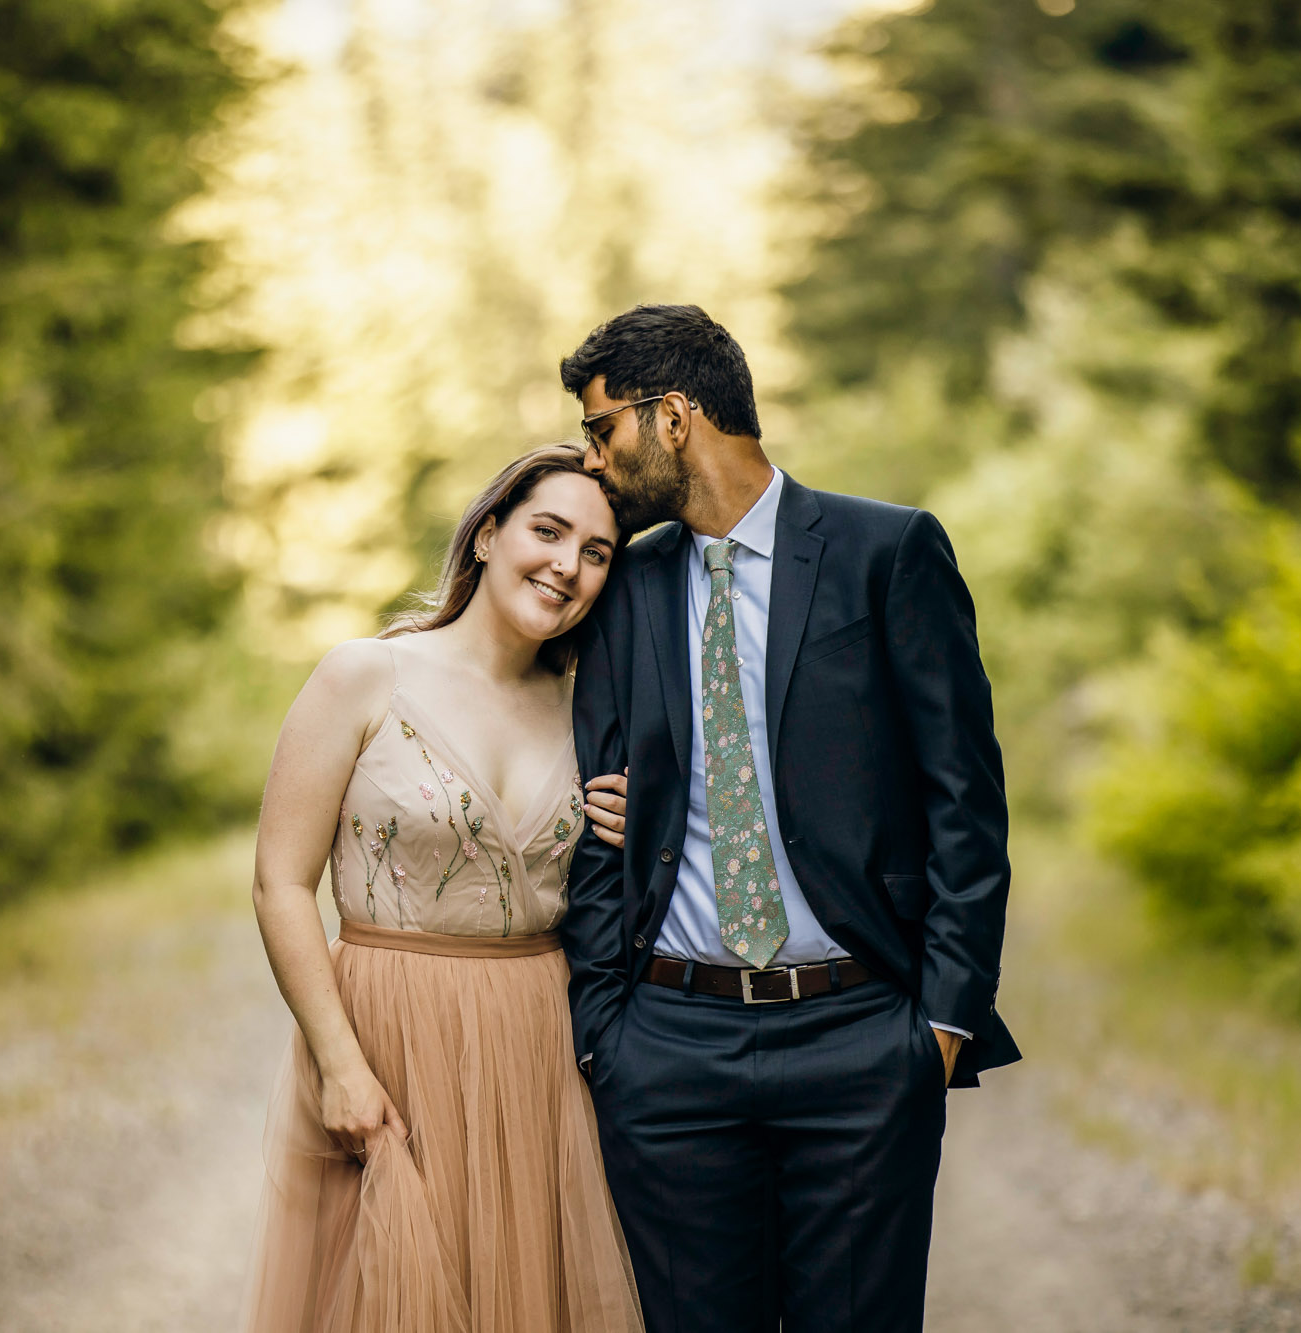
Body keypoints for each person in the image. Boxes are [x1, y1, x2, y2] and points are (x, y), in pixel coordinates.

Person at [560, 305, 1018, 1333]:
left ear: (671, 416)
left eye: (602, 430)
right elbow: (599, 819)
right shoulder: (624, 588)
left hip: (859, 1037)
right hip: (667, 1049)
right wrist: (605, 1033)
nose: (593, 463)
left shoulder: (885, 551)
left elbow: (964, 804)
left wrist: (938, 1026)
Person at [241, 444, 645, 1333]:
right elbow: (280, 882)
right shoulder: (366, 674)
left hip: (536, 1037)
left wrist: (620, 819)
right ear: (489, 533)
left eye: (597, 552)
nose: (566, 565)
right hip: (389, 1032)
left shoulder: (588, 707)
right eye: (548, 531)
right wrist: (340, 1063)